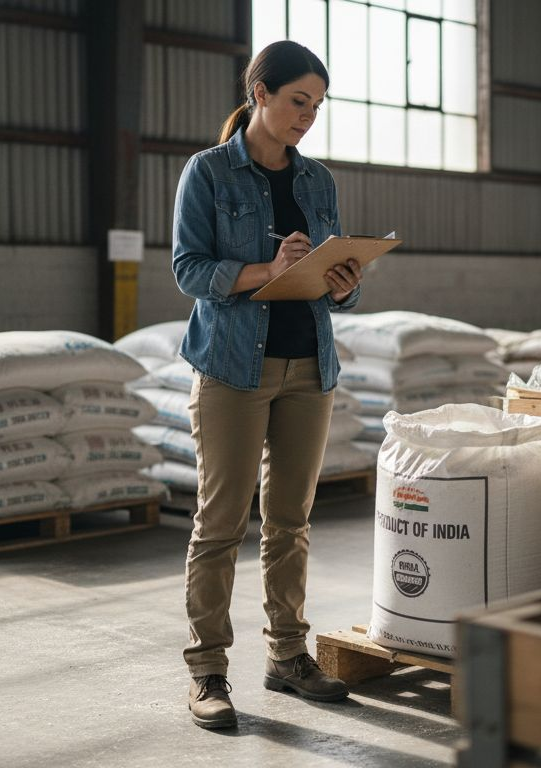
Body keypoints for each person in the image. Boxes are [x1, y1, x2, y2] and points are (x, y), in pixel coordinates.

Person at [170, 40, 364, 730]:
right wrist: (264, 267)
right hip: (231, 368)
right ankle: (207, 673)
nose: (307, 117)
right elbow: (190, 271)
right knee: (220, 524)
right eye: (297, 101)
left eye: (316, 105)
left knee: (290, 522)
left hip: (309, 366)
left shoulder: (316, 182)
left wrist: (343, 283)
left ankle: (287, 657)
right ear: (260, 93)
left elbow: (327, 285)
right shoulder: (210, 173)